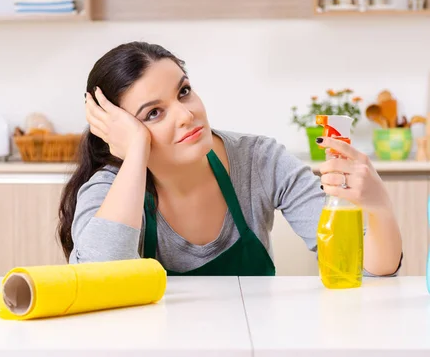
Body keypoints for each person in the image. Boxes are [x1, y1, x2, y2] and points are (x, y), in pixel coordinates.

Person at [57, 41, 403, 276]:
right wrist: (135, 155)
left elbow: (362, 269)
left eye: (184, 92)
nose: (186, 114)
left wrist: (380, 206)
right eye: (153, 114)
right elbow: (98, 278)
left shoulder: (259, 161)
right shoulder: (109, 191)